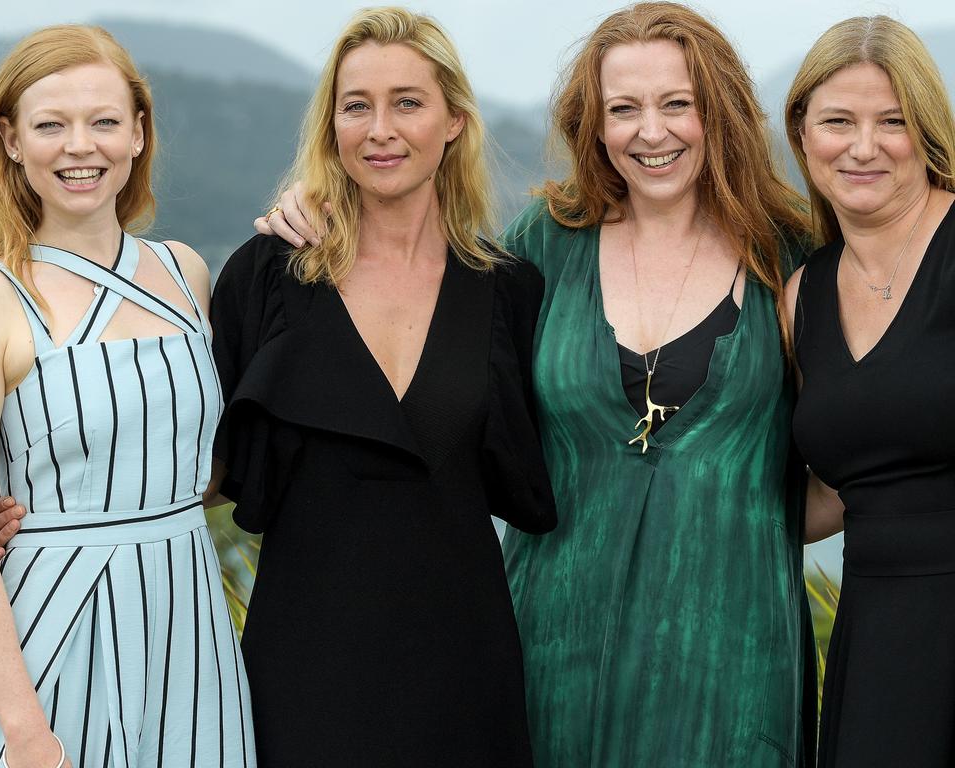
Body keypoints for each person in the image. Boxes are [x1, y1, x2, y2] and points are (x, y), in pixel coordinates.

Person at [266, 3, 815, 765]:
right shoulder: (540, 250)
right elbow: (421, 354)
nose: (650, 132)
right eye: (623, 109)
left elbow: (853, 448)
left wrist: (742, 505)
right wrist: (321, 205)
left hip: (731, 662)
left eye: (676, 104)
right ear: (594, 124)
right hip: (551, 652)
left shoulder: (791, 258)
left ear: (717, 111)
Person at [210, 7, 556, 767]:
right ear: (330, 124)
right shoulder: (266, 275)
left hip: (464, 664)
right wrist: (45, 516)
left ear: (455, 121)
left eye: (408, 102)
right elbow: (202, 466)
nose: (380, 129)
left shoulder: (511, 292)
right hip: (304, 662)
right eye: (356, 105)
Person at [0, 25, 255, 768]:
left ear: (139, 133)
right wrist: (26, 732)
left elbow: (194, 474)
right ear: (11, 141)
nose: (81, 146)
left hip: (188, 625)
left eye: (104, 121)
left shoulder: (185, 274)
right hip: (51, 630)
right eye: (51, 125)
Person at [784, 16, 955, 768]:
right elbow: (835, 494)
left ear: (928, 132)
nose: (862, 146)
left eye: (892, 121)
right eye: (837, 122)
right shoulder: (802, 297)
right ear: (802, 135)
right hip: (879, 627)